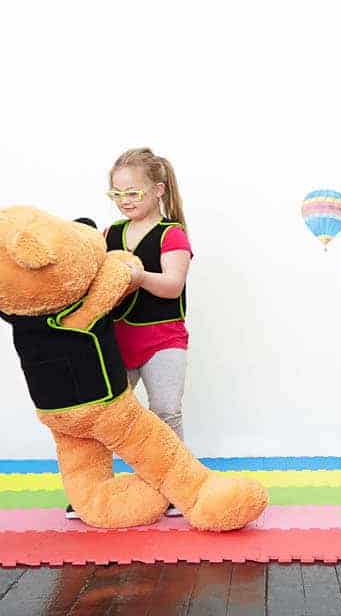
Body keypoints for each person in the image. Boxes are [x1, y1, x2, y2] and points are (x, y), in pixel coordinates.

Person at [104, 148, 192, 517]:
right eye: (116, 193)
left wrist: (138, 276)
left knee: (166, 412)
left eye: (133, 192)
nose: (124, 200)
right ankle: (97, 489)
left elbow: (172, 285)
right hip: (115, 338)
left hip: (162, 339)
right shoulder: (110, 233)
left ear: (158, 190)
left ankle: (177, 487)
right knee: (104, 415)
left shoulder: (172, 234)